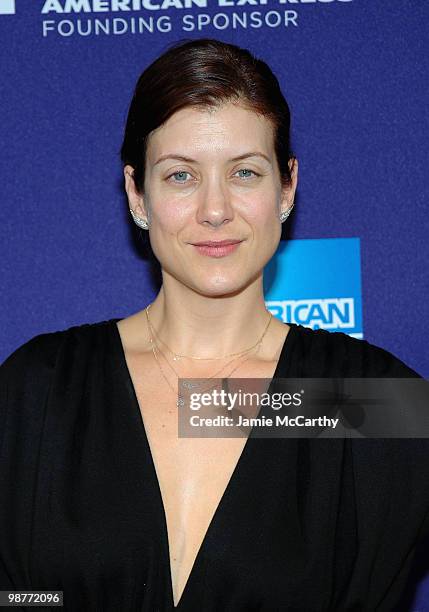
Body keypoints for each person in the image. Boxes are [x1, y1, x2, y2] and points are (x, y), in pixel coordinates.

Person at [1, 37, 428, 612]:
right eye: (181, 176)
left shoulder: (373, 401)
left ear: (287, 185)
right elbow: (20, 597)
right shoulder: (39, 390)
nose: (215, 209)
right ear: (137, 193)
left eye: (245, 172)